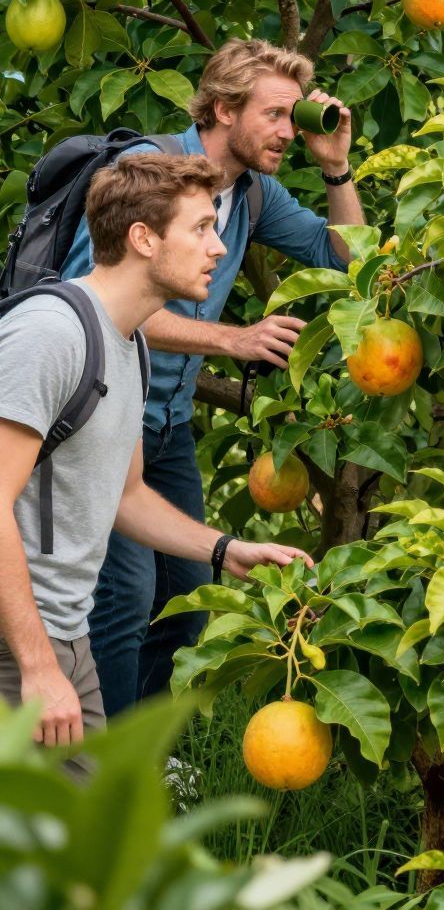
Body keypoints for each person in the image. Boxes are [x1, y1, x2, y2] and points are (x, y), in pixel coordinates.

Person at [59, 39, 361, 717]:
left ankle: (141, 751)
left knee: (188, 599)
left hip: (166, 427)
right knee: (124, 598)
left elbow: (346, 260)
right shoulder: (150, 173)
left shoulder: (252, 194)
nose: (288, 132)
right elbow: (94, 302)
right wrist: (232, 338)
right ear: (224, 108)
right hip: (105, 418)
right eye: (275, 115)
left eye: (293, 117)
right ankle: (100, 763)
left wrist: (336, 169)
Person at [0, 153, 311, 746]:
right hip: (17, 640)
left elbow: (127, 495)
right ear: (143, 238)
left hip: (64, 634)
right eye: (201, 228)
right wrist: (38, 667)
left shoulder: (132, 345)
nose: (218, 248)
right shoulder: (51, 335)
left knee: (96, 806)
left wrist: (225, 549)